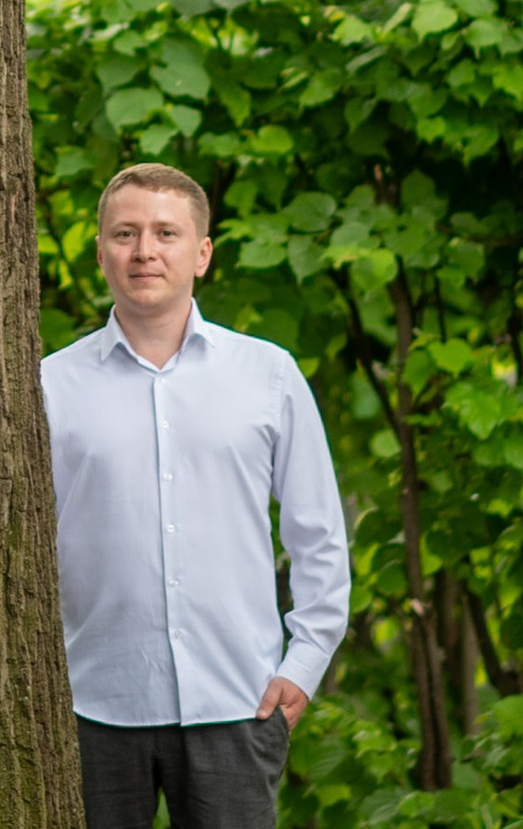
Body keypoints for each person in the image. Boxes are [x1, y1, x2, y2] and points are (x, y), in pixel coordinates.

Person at [42, 162, 350, 829]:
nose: (145, 251)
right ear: (100, 252)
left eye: (165, 233)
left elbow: (317, 533)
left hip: (238, 703)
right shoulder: (51, 386)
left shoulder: (267, 375)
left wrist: (306, 662)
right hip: (91, 707)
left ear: (202, 253)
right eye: (125, 233)